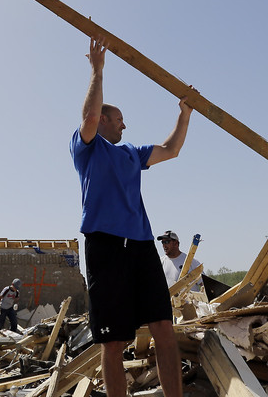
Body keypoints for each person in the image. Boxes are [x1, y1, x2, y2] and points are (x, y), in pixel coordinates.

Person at [70, 37, 194, 397]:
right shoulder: (86, 148)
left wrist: (184, 114)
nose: (125, 126)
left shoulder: (131, 153)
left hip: (140, 247)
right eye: (120, 119)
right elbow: (89, 116)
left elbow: (171, 149)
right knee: (114, 341)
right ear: (106, 120)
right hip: (106, 248)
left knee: (164, 329)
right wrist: (97, 71)